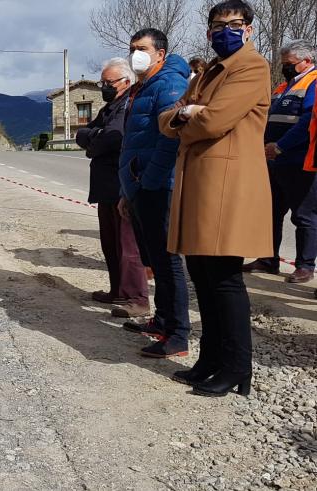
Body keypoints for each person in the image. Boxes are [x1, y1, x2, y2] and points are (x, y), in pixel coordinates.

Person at [160, 0, 271, 397]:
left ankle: (238, 366)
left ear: (250, 29)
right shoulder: (208, 72)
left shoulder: (251, 66)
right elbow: (169, 118)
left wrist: (190, 115)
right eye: (218, 25)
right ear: (208, 32)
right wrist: (187, 112)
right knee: (203, 277)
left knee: (224, 279)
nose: (227, 30)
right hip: (200, 183)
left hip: (227, 183)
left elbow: (216, 120)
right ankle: (210, 358)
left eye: (236, 23)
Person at [117, 28, 192, 358]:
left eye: (142, 48)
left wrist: (148, 180)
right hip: (139, 186)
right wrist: (127, 190)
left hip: (158, 187)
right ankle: (162, 321)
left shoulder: (170, 83)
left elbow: (171, 138)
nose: (136, 54)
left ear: (160, 53)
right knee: (155, 261)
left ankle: (178, 334)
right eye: (133, 48)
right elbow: (134, 140)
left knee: (167, 262)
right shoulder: (142, 86)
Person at [76, 58, 150, 318]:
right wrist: (95, 137)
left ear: (125, 82)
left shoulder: (128, 104)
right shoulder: (111, 106)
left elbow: (114, 137)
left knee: (128, 246)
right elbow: (83, 134)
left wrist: (94, 139)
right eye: (102, 82)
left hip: (122, 185)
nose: (104, 87)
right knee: (110, 242)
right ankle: (117, 290)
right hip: (105, 185)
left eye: (108, 82)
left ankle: (137, 298)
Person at [243, 40, 317, 283]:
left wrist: (281, 146)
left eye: (289, 64)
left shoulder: (313, 82)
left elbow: (308, 122)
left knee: (303, 216)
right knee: (271, 213)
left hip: (299, 161)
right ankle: (268, 259)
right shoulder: (284, 86)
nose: (285, 67)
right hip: (273, 161)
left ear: (306, 61)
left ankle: (305, 265)